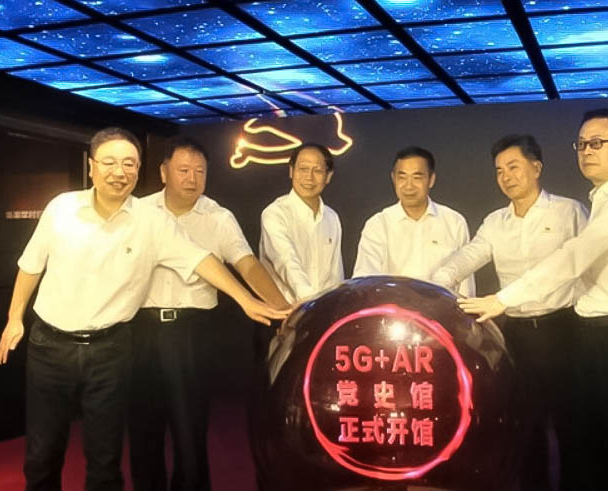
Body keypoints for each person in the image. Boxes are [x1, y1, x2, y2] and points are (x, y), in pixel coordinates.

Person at [0, 127, 287, 491]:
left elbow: (202, 259)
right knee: (42, 455)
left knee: (108, 459)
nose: (120, 172)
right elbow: (31, 265)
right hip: (53, 345)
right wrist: (14, 318)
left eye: (129, 164)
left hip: (114, 347)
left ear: (138, 169)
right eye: (110, 163)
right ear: (92, 167)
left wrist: (246, 299)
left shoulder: (153, 221)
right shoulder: (62, 208)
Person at [460, 109, 608, 491]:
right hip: (592, 334)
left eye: (597, 143)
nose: (587, 151)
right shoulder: (602, 199)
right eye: (582, 144)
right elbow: (471, 254)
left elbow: (573, 258)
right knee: (594, 443)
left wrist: (502, 299)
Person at [130, 137, 290, 491]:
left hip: (191, 331)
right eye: (183, 170)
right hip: (138, 330)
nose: (192, 178)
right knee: (142, 429)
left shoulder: (219, 217)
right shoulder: (138, 212)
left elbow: (247, 265)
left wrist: (282, 309)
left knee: (190, 431)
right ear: (163, 172)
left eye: (200, 171)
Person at [432, 135, 588, 491]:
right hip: (515, 333)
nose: (506, 176)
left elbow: (584, 263)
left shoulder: (569, 212)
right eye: (499, 170)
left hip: (564, 330)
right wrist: (440, 281)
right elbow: (469, 255)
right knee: (525, 424)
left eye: (513, 167)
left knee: (572, 423)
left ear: (537, 167)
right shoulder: (495, 221)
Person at [352, 146, 474, 297]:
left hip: (440, 309)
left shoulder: (454, 222)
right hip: (392, 308)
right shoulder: (378, 224)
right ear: (393, 179)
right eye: (402, 177)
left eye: (417, 177)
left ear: (431, 180)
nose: (408, 186)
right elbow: (364, 280)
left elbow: (465, 284)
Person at [260, 142, 343, 303]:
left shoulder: (331, 217)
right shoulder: (275, 214)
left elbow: (336, 274)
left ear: (328, 176)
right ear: (291, 171)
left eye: (317, 170)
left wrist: (336, 304)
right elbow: (285, 261)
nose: (309, 177)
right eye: (303, 169)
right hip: (286, 310)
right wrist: (309, 301)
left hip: (324, 310)